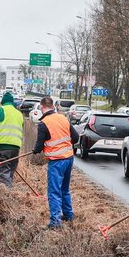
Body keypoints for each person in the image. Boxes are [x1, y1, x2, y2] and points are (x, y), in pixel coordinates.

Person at [32, 96, 80, 229]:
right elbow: (75, 138)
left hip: (56, 161)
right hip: (69, 159)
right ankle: (68, 215)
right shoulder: (63, 118)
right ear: (53, 106)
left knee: (54, 191)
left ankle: (55, 222)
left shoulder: (43, 123)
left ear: (42, 107)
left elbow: (39, 145)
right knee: (64, 188)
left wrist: (35, 150)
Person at [0, 91, 24, 186]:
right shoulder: (19, 114)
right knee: (10, 171)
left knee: (2, 172)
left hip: (2, 146)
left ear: (3, 102)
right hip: (16, 148)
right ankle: (9, 189)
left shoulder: (0, 110)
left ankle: (6, 193)